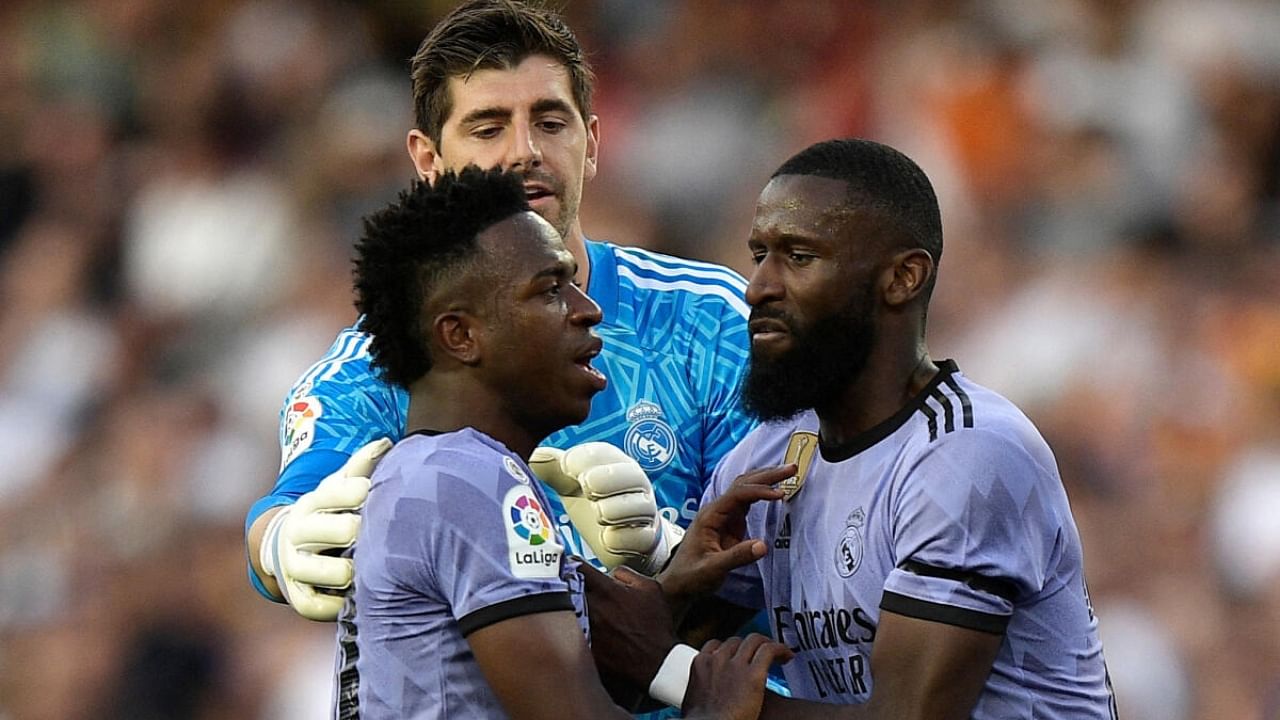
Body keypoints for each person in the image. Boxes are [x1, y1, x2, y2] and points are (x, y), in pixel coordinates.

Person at [245, 0, 754, 623]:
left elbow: (786, 551)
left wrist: (664, 554)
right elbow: (293, 506)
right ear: (428, 162)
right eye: (488, 129)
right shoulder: (379, 364)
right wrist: (279, 543)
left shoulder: (711, 322)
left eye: (550, 122)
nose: (524, 152)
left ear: (591, 143)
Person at [593, 138, 1116, 719]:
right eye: (758, 254)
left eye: (798, 257)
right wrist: (672, 595)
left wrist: (701, 688)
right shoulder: (765, 459)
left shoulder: (969, 452)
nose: (758, 287)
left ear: (902, 278)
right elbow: (637, 676)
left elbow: (911, 715)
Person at [341, 164, 790, 719]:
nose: (587, 309)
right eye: (551, 290)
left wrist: (671, 593)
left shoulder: (434, 471)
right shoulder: (467, 477)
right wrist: (714, 708)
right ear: (460, 335)